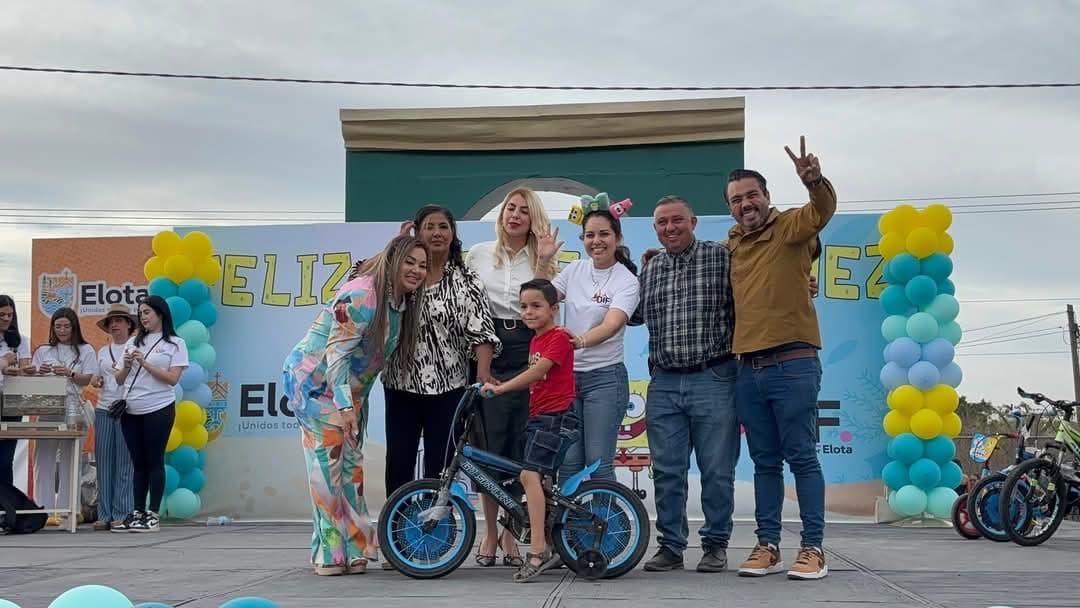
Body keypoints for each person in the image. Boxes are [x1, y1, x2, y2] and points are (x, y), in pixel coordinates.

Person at [283, 235, 428, 576]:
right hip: (316, 384)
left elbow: (370, 364)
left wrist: (354, 405)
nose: (417, 271)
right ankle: (329, 552)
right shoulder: (363, 294)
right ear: (392, 261)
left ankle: (357, 546)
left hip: (350, 392)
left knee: (352, 467)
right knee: (326, 465)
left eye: (422, 265)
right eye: (409, 262)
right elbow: (337, 355)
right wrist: (346, 408)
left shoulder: (400, 303)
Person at [727, 136, 836, 581]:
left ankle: (813, 549)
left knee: (803, 457)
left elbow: (820, 211)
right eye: (736, 200)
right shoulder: (731, 246)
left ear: (767, 197)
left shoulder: (791, 228)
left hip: (793, 364)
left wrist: (815, 181)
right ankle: (767, 544)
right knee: (764, 463)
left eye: (752, 195)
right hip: (747, 370)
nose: (745, 204)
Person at [631, 195, 739, 574]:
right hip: (663, 382)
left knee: (716, 470)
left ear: (693, 221)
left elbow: (756, 294)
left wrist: (799, 285)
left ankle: (715, 545)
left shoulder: (722, 257)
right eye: (662, 223)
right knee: (666, 471)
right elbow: (630, 316)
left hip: (714, 376)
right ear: (655, 229)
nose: (670, 228)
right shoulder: (649, 269)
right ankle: (672, 547)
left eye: (677, 220)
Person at [466, 187, 561, 567]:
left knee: (522, 451)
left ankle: (510, 536)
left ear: (533, 218)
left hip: (527, 348)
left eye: (524, 210)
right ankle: (489, 533)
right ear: (502, 214)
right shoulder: (477, 254)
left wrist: (543, 263)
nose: (515, 215)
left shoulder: (545, 257)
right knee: (489, 447)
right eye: (510, 208)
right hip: (488, 346)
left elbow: (539, 304)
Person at [382, 206, 500, 501]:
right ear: (417, 233)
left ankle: (438, 536)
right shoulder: (402, 275)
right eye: (429, 227)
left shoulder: (467, 280)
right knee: (399, 463)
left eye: (443, 226)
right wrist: (397, 249)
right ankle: (397, 534)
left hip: (449, 388)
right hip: (401, 385)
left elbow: (482, 332)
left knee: (442, 466)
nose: (437, 233)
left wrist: (484, 373)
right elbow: (359, 275)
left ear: (453, 234)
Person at [480, 279, 578, 583]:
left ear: (554, 308)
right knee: (535, 479)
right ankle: (547, 541)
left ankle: (536, 551)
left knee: (528, 476)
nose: (528, 312)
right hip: (540, 416)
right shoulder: (535, 340)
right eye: (523, 306)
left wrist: (501, 388)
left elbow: (537, 372)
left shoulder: (557, 338)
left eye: (536, 306)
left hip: (556, 417)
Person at [553, 207, 639, 484]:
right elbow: (542, 298)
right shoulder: (575, 269)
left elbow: (611, 324)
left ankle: (608, 526)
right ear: (582, 239)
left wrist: (578, 341)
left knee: (597, 466)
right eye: (590, 235)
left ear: (618, 238)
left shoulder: (626, 280)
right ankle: (574, 529)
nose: (596, 241)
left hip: (604, 380)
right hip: (567, 380)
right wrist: (543, 261)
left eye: (604, 234)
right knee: (568, 466)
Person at [113, 295, 189, 533]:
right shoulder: (133, 341)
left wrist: (145, 363)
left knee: (155, 461)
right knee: (138, 464)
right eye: (141, 312)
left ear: (160, 314)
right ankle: (137, 512)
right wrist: (126, 364)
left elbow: (172, 379)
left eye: (147, 312)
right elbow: (118, 379)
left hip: (159, 407)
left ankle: (153, 514)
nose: (143, 317)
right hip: (131, 408)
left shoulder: (175, 343)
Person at [29, 307, 98, 527]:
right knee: (44, 458)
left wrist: (69, 373)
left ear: (74, 326)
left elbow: (87, 379)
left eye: (66, 326)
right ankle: (44, 510)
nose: (62, 330)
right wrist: (40, 372)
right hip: (47, 405)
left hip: (73, 406)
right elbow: (33, 378)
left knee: (72, 458)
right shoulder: (43, 351)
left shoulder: (85, 350)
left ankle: (70, 511)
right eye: (58, 326)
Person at [89, 304, 137, 531]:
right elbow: (97, 378)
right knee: (104, 461)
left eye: (119, 320)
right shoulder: (101, 351)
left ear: (129, 323)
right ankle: (104, 514)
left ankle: (123, 513)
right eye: (111, 322)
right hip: (104, 407)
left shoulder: (137, 347)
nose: (115, 325)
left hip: (128, 409)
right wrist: (96, 381)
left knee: (125, 463)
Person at [0, 294, 32, 488]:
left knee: (6, 459)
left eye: (10, 315)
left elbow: (25, 372)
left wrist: (23, 371)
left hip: (13, 401)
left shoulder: (21, 340)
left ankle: (6, 509)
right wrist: (4, 363)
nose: (6, 318)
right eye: (2, 314)